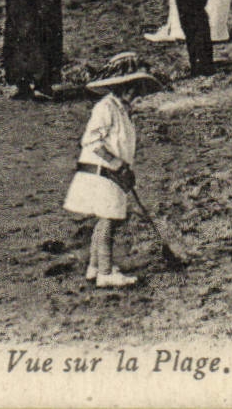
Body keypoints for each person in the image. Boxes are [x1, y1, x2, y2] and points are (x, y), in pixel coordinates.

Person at [62, 56, 162, 289]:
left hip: (111, 173)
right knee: (109, 220)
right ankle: (105, 273)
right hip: (100, 172)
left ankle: (95, 266)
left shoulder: (122, 110)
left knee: (106, 219)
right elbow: (91, 141)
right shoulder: (105, 108)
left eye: (136, 89)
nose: (134, 93)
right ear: (119, 87)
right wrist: (116, 164)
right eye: (130, 88)